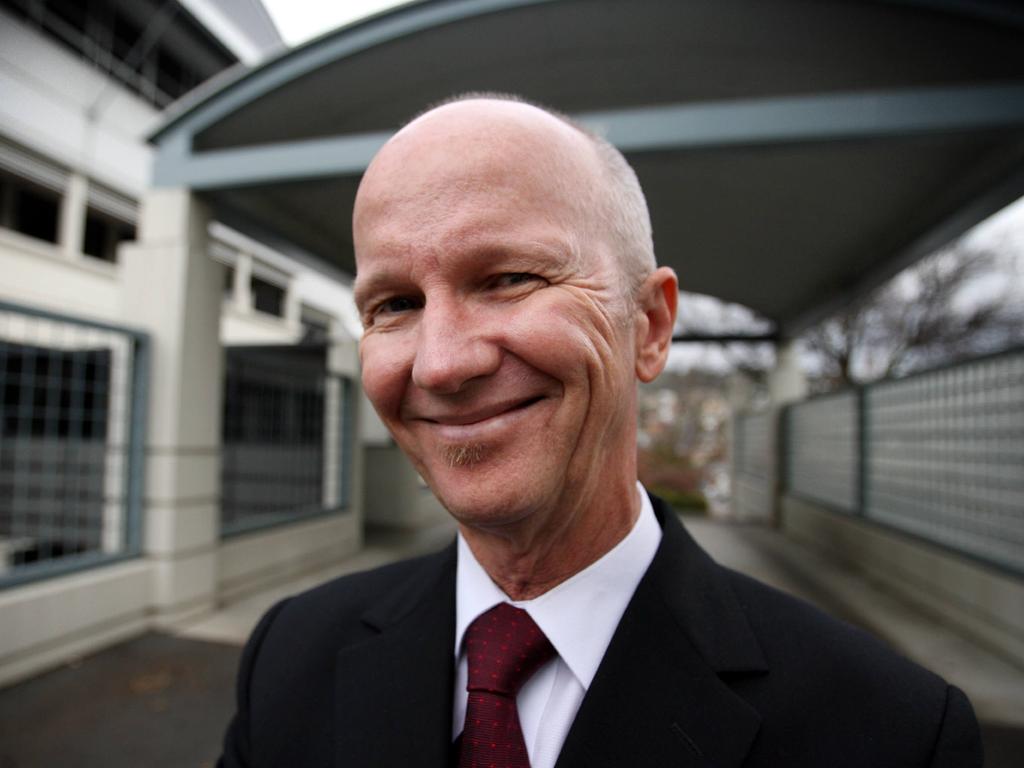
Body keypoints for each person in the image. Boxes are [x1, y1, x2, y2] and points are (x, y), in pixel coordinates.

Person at [218, 95, 982, 768]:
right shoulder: (289, 657)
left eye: (509, 278)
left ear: (648, 327)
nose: (442, 364)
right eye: (393, 304)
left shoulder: (891, 733)